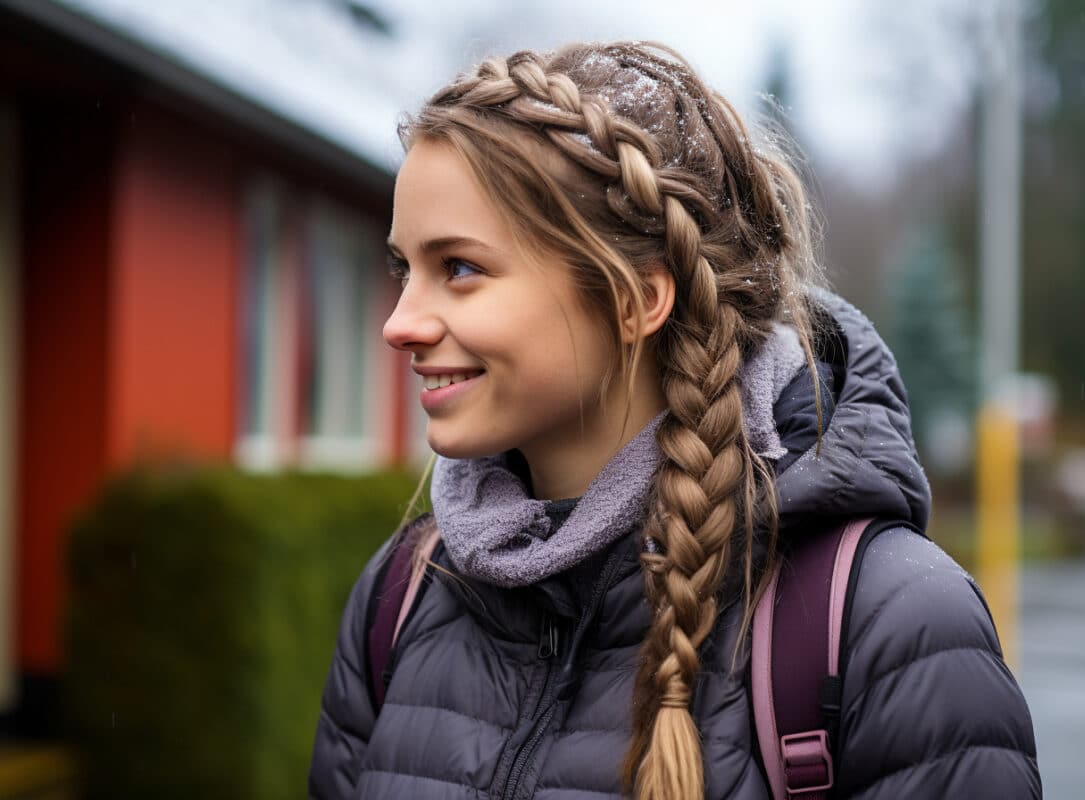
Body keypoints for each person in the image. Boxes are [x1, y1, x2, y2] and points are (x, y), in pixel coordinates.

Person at [309, 41, 1041, 800]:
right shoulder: (402, 595)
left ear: (638, 298)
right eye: (404, 268)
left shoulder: (890, 629)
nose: (400, 323)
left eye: (459, 268)